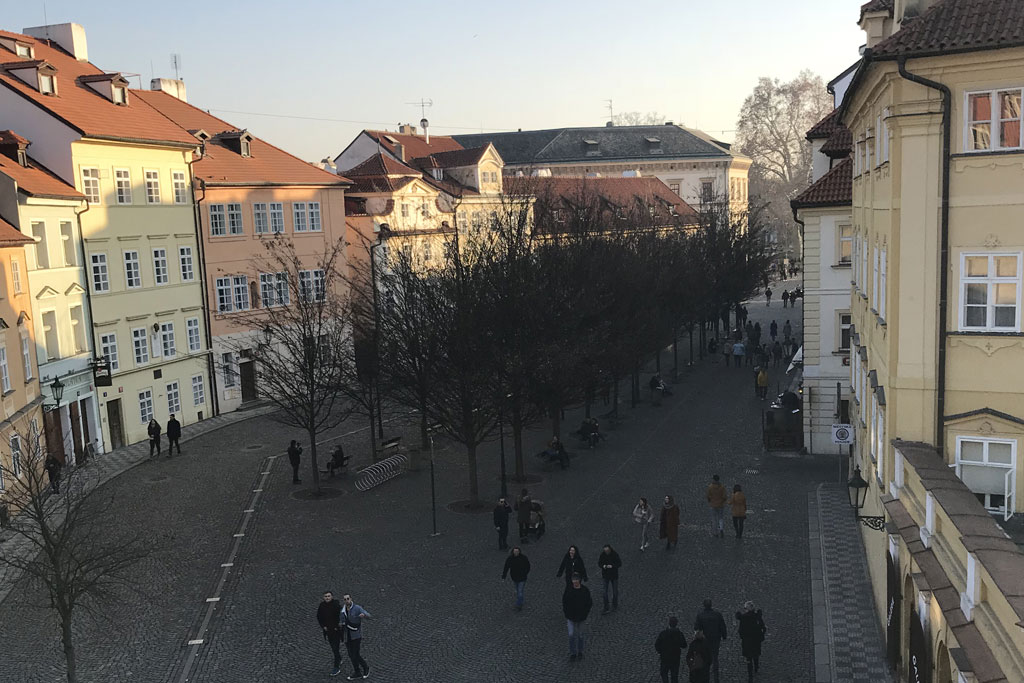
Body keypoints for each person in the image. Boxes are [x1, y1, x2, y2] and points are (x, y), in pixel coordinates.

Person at [693, 600, 727, 683]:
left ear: (704, 605)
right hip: (715, 639)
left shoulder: (700, 615)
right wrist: (724, 636)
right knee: (715, 658)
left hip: (705, 640)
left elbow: (696, 628)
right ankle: (716, 679)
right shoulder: (717, 615)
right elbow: (722, 626)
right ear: (711, 605)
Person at [562, 573, 593, 661]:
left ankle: (580, 651)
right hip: (570, 616)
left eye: (576, 581)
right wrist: (566, 613)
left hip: (581, 616)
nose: (575, 583)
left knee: (580, 635)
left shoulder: (584, 590)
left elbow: (589, 603)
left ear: (579, 581)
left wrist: (585, 613)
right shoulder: (569, 590)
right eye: (573, 581)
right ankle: (573, 653)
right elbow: (564, 602)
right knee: (571, 635)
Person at [341, 593, 371, 680]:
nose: (347, 600)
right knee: (351, 655)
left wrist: (364, 615)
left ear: (351, 599)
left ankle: (365, 667)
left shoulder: (357, 608)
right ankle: (357, 672)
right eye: (345, 599)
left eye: (348, 599)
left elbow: (368, 615)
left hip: (356, 635)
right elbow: (341, 620)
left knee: (355, 654)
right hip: (347, 635)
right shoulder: (342, 610)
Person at [736, 601, 767, 682]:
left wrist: (743, 638)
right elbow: (763, 627)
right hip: (756, 641)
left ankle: (750, 675)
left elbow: (741, 631)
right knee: (756, 654)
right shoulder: (757, 617)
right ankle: (756, 667)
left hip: (747, 642)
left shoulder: (743, 618)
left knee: (748, 657)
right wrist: (761, 635)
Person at [316, 591, 343, 677]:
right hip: (328, 631)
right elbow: (319, 616)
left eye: (328, 596)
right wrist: (323, 626)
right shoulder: (322, 606)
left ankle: (336, 666)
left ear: (332, 597)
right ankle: (338, 658)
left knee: (335, 648)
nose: (327, 598)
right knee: (333, 647)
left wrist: (338, 625)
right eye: (325, 596)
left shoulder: (336, 605)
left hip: (336, 631)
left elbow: (341, 616)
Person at [655, 616, 688, 683]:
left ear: (669, 623)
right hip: (675, 658)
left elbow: (657, 645)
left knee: (664, 674)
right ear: (676, 624)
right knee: (674, 676)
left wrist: (661, 652)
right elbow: (684, 645)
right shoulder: (679, 634)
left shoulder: (663, 633)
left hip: (665, 658)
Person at [597, 545, 622, 614]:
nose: (606, 552)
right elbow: (599, 563)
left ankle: (614, 605)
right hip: (605, 576)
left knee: (615, 592)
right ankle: (606, 606)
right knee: (604, 592)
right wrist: (603, 566)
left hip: (614, 576)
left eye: (607, 551)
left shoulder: (615, 554)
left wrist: (612, 566)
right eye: (605, 551)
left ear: (610, 549)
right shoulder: (602, 555)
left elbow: (619, 563)